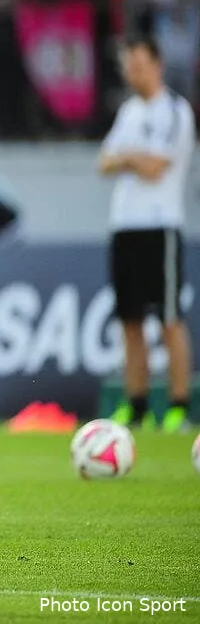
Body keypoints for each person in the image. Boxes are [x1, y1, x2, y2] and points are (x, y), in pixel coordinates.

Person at [98, 36, 195, 433]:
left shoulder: (174, 110)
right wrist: (131, 158)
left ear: (157, 65)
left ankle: (177, 406)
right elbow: (103, 163)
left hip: (160, 224)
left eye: (138, 64)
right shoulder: (129, 112)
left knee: (169, 319)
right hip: (125, 225)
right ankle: (135, 405)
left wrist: (127, 157)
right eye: (127, 65)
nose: (132, 72)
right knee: (130, 320)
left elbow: (156, 168)